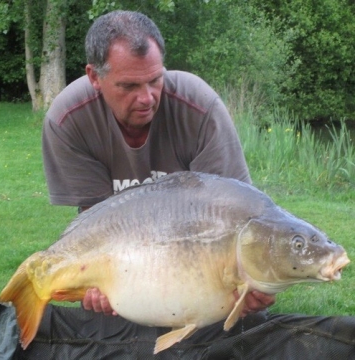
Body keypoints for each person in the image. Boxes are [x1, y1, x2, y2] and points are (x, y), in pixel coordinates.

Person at [37, 10, 355, 359]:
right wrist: (91, 283)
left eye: (155, 80)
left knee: (236, 324)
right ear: (94, 77)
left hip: (198, 258)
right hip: (127, 257)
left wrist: (256, 280)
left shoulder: (199, 106)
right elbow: (95, 222)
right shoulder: (68, 119)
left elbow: (237, 209)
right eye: (129, 86)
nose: (146, 98)